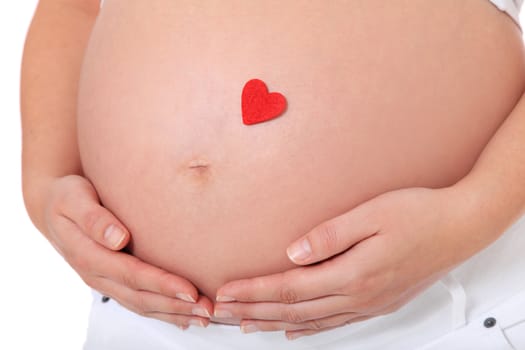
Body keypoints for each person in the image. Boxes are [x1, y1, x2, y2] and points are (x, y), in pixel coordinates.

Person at [20, 0, 525, 349]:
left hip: (424, 316)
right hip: (145, 323)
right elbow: (76, 7)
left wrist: (472, 214)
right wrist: (44, 181)